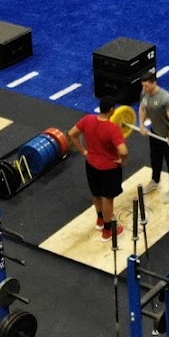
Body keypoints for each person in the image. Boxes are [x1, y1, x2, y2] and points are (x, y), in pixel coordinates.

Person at [69, 96, 128, 240]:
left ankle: (100, 220)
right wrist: (123, 160)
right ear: (112, 110)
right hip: (109, 169)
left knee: (96, 194)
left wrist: (83, 151)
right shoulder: (113, 129)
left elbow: (71, 134)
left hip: (91, 164)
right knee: (107, 198)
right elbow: (123, 151)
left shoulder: (88, 119)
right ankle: (108, 231)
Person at [137, 71, 169, 194]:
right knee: (155, 158)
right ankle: (155, 181)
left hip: (168, 135)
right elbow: (142, 108)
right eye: (143, 86)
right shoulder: (144, 94)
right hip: (155, 132)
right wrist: (141, 125)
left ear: (154, 83)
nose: (144, 89)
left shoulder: (165, 98)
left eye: (146, 86)